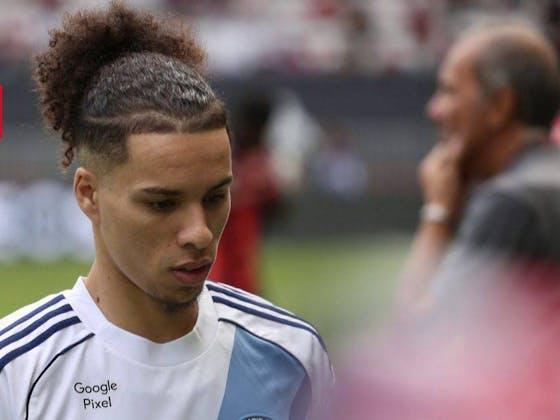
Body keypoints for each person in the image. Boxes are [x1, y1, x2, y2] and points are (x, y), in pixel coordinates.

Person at [0, 3, 332, 419]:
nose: (200, 233)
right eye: (162, 203)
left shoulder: (294, 357)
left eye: (215, 197)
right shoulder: (16, 373)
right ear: (88, 194)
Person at [400, 21, 560, 307]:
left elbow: (418, 326)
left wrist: (438, 214)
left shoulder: (512, 202)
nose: (433, 110)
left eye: (449, 91)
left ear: (500, 106)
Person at [209, 90, 281, 294]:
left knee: (240, 275)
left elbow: (274, 201)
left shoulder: (259, 154)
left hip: (242, 228)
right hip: (225, 230)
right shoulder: (231, 147)